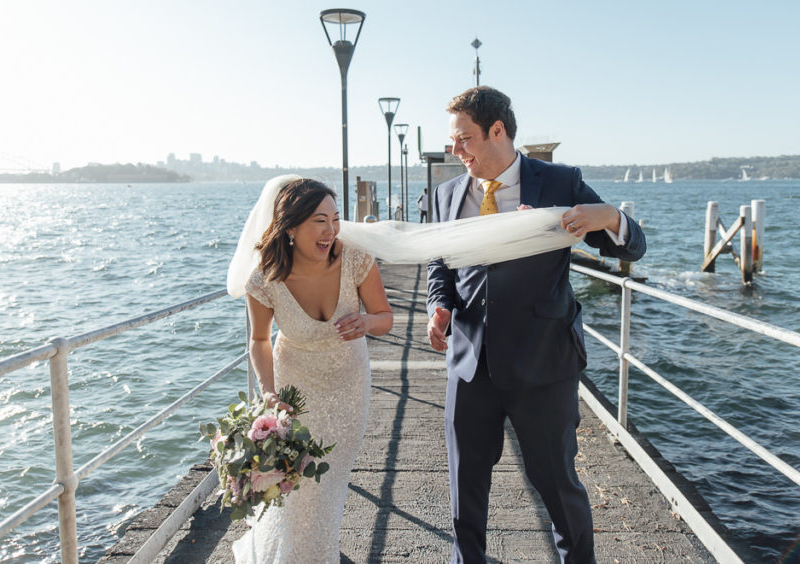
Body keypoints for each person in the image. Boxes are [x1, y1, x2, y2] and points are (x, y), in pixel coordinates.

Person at [426, 86, 646, 563]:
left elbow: (630, 248)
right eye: (452, 141)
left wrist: (609, 216)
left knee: (558, 488)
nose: (455, 150)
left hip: (544, 364)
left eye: (463, 139)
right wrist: (438, 307)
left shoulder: (560, 182)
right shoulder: (445, 195)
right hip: (469, 366)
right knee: (466, 493)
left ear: (497, 131)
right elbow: (439, 267)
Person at [228, 177, 393, 563]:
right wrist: (268, 393)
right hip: (294, 387)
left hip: (349, 384)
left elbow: (385, 317)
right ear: (290, 227)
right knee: (296, 483)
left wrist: (366, 324)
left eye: (335, 219)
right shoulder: (264, 279)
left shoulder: (355, 258)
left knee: (330, 481)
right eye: (320, 221)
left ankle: (315, 553)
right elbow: (259, 341)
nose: (331, 230)